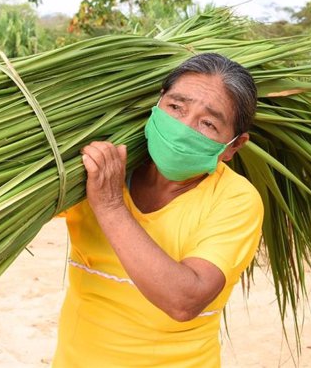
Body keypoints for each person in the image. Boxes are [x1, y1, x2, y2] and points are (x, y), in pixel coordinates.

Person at [53, 53, 264, 367]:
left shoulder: (235, 200)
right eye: (176, 107)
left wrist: (110, 206)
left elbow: (185, 300)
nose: (183, 128)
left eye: (207, 123)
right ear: (157, 103)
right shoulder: (102, 167)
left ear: (234, 146)